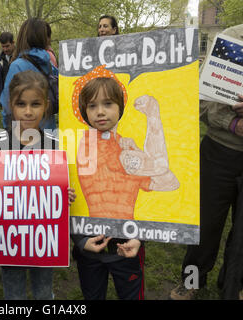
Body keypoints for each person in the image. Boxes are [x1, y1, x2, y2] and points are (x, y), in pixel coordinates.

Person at [71, 65, 179, 300]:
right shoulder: (73, 149)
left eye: (108, 103)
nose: (100, 112)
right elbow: (64, 200)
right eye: (92, 105)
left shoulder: (128, 150)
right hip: (89, 243)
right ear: (83, 110)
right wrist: (79, 241)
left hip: (127, 243)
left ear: (120, 107)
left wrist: (153, 119)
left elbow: (168, 182)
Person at [0, 70, 76, 300]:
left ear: (46, 106)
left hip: (44, 240)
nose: (28, 111)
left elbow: (62, 192)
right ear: (11, 105)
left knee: (43, 291)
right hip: (8, 238)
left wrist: (64, 196)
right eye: (21, 104)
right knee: (13, 293)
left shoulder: (56, 146)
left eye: (35, 104)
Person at [170, 24, 243, 300]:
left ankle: (234, 283)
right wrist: (232, 122)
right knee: (205, 225)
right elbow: (199, 101)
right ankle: (190, 281)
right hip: (220, 152)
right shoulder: (230, 39)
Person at [0, 18, 58, 131]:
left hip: (25, 132)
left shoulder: (17, 65)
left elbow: (8, 105)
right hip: (48, 127)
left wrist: (9, 129)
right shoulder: (49, 63)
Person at [0, 32, 15, 107]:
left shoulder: (21, 56)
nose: (5, 49)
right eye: (3, 47)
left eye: (7, 46)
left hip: (19, 95)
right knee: (10, 118)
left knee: (18, 118)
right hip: (6, 97)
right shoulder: (0, 60)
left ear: (13, 43)